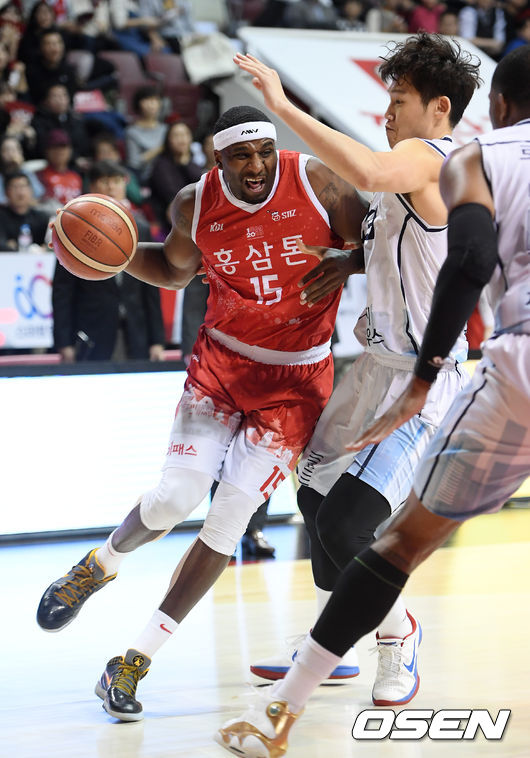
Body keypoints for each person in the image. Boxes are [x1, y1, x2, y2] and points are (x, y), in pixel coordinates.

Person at [216, 44, 530, 758]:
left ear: (440, 108)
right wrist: (350, 258)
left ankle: (398, 637)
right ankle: (338, 638)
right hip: (374, 367)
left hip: (424, 375)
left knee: (351, 521)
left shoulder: (434, 156)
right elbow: (414, 242)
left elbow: (368, 173)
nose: (387, 114)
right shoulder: (418, 171)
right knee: (314, 498)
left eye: (399, 101)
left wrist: (281, 105)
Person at [36, 104, 367, 721]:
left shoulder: (318, 181)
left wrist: (349, 261)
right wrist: (110, 251)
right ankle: (98, 565)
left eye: (264, 151)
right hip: (222, 365)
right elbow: (172, 269)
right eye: (241, 156)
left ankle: (133, 660)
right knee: (175, 497)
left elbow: (382, 244)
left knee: (229, 520)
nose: (257, 165)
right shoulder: (195, 203)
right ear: (218, 161)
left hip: (296, 381)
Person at [51, 159, 165, 361]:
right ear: (92, 186)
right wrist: (63, 342)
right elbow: (62, 293)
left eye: (116, 181)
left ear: (125, 184)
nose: (111, 187)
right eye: (105, 181)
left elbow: (150, 290)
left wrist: (157, 340)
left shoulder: (141, 228)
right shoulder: (71, 225)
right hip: (90, 332)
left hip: (135, 332)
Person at [148, 120, 203, 229]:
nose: (181, 139)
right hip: (166, 219)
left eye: (185, 134)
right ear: (168, 140)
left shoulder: (193, 163)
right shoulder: (161, 165)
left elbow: (201, 185)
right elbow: (171, 194)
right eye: (176, 135)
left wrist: (185, 163)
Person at [0, 170, 49, 251]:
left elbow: (50, 245)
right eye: (15, 187)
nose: (20, 193)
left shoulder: (42, 218)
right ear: (6, 192)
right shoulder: (2, 217)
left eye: (23, 186)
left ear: (31, 191)